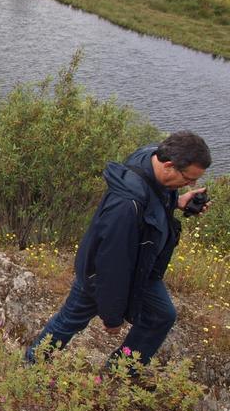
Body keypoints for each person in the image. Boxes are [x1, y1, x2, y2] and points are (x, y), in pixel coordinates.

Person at [25, 131, 211, 368]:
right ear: (168, 166)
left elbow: (152, 201)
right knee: (71, 320)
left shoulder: (152, 159)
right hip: (100, 274)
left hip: (142, 269)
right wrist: (113, 316)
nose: (191, 184)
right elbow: (112, 266)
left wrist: (178, 200)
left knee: (161, 315)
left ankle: (121, 371)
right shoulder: (126, 206)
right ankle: (32, 364)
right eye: (188, 179)